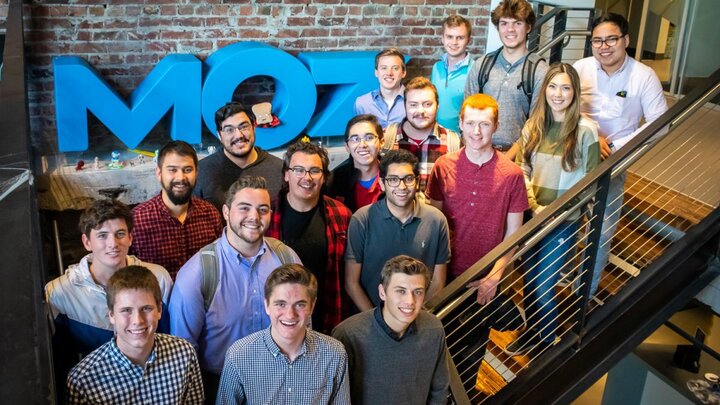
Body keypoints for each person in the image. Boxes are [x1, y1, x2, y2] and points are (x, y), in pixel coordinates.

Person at [425, 94, 528, 387]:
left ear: (495, 126)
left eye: (484, 124)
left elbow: (513, 235)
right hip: (444, 277)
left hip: (483, 282)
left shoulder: (512, 175)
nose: (477, 131)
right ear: (460, 124)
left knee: (470, 358)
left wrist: (494, 278)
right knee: (435, 353)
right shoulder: (443, 166)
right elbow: (434, 226)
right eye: (470, 123)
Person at [170, 175, 301, 404]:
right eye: (244, 208)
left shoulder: (286, 258)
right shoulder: (196, 274)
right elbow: (182, 353)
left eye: (263, 209)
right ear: (226, 212)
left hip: (282, 381)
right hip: (219, 386)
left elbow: (303, 324)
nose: (254, 217)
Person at [505, 63, 600, 355]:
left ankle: (548, 343)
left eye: (566, 87)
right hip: (534, 216)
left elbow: (592, 182)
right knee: (530, 281)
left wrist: (557, 210)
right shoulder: (533, 125)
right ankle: (532, 332)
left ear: (575, 92)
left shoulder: (586, 131)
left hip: (564, 220)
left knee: (545, 285)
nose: (558, 94)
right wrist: (535, 205)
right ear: (545, 89)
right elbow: (521, 168)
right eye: (553, 87)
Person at [573, 12, 668, 298]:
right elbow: (563, 106)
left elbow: (660, 124)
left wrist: (615, 146)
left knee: (600, 233)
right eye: (597, 41)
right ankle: (563, 278)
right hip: (575, 157)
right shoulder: (581, 68)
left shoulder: (643, 76)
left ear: (625, 40)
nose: (604, 46)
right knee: (564, 224)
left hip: (612, 165)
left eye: (611, 39)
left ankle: (583, 295)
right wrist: (590, 132)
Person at [45, 199, 173, 401]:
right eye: (102, 236)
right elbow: (59, 362)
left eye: (120, 234)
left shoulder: (158, 278)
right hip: (96, 392)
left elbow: (168, 338)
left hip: (155, 387)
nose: (113, 244)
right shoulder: (60, 293)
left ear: (131, 237)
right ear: (87, 242)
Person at [66, 265, 204, 404]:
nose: (137, 321)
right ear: (111, 315)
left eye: (146, 308)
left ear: (159, 310)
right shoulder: (83, 381)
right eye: (126, 310)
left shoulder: (184, 353)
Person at [217, 264, 351, 405]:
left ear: (312, 306)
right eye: (281, 304)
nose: (290, 314)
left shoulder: (334, 354)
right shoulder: (238, 355)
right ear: (266, 305)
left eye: (300, 305)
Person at [333, 255, 449, 405]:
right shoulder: (348, 334)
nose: (410, 301)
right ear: (382, 292)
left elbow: (439, 390)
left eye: (418, 292)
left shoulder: (434, 329)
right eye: (401, 291)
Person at [344, 149, 450, 311]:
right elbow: (351, 283)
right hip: (370, 320)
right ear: (382, 184)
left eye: (408, 179)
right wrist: (378, 323)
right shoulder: (362, 219)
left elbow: (438, 281)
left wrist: (416, 317)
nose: (402, 186)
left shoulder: (436, 220)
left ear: (417, 182)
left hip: (418, 318)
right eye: (393, 179)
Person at [267, 140, 352, 334]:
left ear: (324, 177)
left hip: (328, 316)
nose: (307, 177)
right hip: (280, 320)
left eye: (315, 171)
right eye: (298, 170)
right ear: (286, 174)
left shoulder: (342, 215)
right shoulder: (267, 214)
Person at [464, 0, 548, 160]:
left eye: (517, 23)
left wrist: (506, 160)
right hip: (477, 153)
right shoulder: (482, 65)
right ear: (498, 27)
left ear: (528, 27)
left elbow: (537, 125)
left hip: (518, 159)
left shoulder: (539, 71)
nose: (510, 29)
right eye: (504, 23)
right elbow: (467, 115)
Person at [131, 140, 222, 279]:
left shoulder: (210, 214)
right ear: (159, 173)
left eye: (187, 170)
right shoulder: (136, 220)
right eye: (172, 170)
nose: (180, 177)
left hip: (204, 299)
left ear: (196, 173)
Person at [194, 102, 284, 212]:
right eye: (229, 130)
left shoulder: (279, 169)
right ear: (219, 135)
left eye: (244, 126)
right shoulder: (201, 171)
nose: (238, 135)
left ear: (253, 128)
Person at [384, 76, 461, 193]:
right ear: (405, 106)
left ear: (438, 105)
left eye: (427, 104)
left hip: (437, 211)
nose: (420, 111)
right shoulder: (386, 138)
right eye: (413, 105)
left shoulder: (453, 142)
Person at [327, 114, 384, 212]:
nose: (362, 145)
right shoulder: (333, 181)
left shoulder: (394, 176)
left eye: (369, 138)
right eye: (355, 139)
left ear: (381, 142)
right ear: (347, 146)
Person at [431, 15, 473, 133]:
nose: (454, 42)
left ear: (468, 40)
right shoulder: (436, 68)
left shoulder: (475, 70)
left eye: (460, 37)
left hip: (460, 139)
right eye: (449, 37)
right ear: (442, 39)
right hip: (434, 137)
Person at [354, 48, 407, 128]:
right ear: (376, 72)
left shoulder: (415, 102)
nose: (389, 73)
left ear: (403, 72)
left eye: (395, 68)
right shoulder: (362, 104)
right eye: (384, 68)